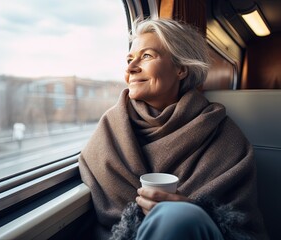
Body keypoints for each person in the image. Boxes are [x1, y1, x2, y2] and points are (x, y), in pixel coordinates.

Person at [78, 18, 268, 240]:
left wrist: (193, 212)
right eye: (129, 59)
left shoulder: (222, 134)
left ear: (181, 69)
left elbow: (240, 225)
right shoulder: (109, 129)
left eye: (146, 56)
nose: (130, 67)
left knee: (177, 217)